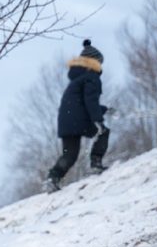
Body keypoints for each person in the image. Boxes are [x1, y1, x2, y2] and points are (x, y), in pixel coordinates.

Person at [46, 40, 110, 191]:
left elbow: (81, 104)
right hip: (79, 120)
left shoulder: (77, 79)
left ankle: (53, 178)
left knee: (70, 154)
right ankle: (96, 164)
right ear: (95, 62)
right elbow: (90, 101)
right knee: (104, 132)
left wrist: (104, 109)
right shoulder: (92, 77)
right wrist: (98, 120)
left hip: (66, 120)